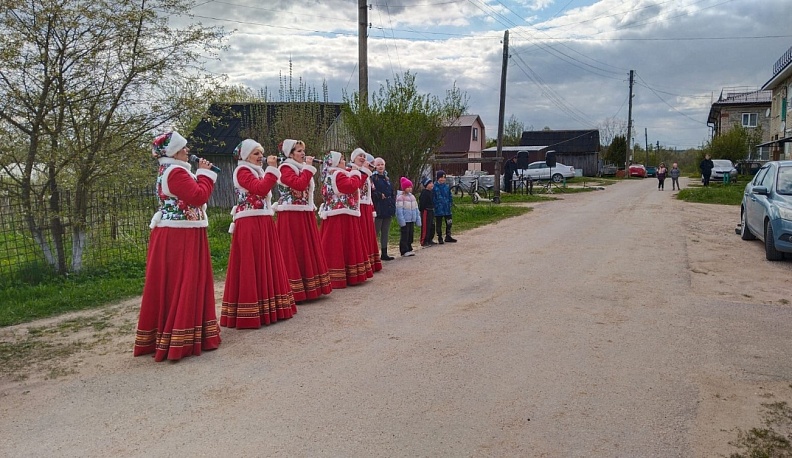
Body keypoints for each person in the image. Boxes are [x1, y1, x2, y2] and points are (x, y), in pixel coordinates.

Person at [134, 131, 221, 361]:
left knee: (187, 281)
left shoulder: (173, 170)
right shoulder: (175, 172)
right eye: (184, 148)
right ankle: (179, 336)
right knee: (184, 280)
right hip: (178, 235)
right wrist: (205, 174)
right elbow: (198, 197)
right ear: (173, 152)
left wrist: (201, 173)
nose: (187, 151)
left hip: (183, 231)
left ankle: (187, 333)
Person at [221, 139, 296, 329]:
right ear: (245, 156)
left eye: (260, 153)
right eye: (255, 153)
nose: (260, 156)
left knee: (266, 261)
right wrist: (272, 169)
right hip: (249, 222)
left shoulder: (257, 171)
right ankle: (252, 310)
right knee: (252, 262)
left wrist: (268, 171)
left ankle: (270, 307)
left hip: (261, 219)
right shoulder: (242, 171)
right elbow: (261, 189)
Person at [275, 139, 332, 302]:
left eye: (303, 150)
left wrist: (306, 168)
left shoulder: (300, 168)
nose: (303, 153)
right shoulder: (285, 168)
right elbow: (298, 185)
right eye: (299, 151)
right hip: (291, 214)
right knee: (295, 248)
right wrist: (308, 168)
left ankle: (310, 287)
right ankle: (295, 289)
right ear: (290, 153)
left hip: (303, 213)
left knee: (306, 247)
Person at [318, 151, 373, 288]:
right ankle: (338, 275)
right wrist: (356, 172)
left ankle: (345, 274)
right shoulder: (337, 174)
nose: (344, 161)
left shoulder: (333, 174)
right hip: (340, 216)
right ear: (336, 162)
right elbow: (351, 186)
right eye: (342, 159)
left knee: (340, 244)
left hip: (340, 213)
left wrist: (361, 171)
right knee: (338, 245)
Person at [351, 148, 382, 272]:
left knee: (369, 234)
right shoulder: (352, 171)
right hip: (358, 206)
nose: (363, 158)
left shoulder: (365, 173)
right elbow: (356, 186)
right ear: (354, 158)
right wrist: (364, 171)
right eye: (360, 156)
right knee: (362, 233)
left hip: (366, 205)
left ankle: (371, 261)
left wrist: (372, 208)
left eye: (364, 156)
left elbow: (369, 193)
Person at [371, 157, 396, 261]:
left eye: (382, 164)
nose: (380, 166)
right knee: (375, 232)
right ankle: (373, 253)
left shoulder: (387, 178)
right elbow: (372, 192)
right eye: (378, 164)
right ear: (375, 166)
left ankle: (384, 252)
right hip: (379, 208)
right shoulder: (373, 178)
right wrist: (379, 195)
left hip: (388, 207)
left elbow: (391, 191)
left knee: (385, 231)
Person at [396, 177, 421, 257]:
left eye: (410, 187)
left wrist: (418, 219)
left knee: (410, 234)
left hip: (411, 219)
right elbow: (399, 211)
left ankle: (409, 247)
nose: (410, 189)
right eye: (408, 187)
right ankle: (404, 250)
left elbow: (416, 208)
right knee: (405, 235)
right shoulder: (400, 198)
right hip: (405, 220)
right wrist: (401, 221)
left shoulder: (412, 197)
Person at [433, 170, 456, 243]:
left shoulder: (446, 187)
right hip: (439, 209)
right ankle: (440, 237)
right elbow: (433, 198)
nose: (442, 179)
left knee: (449, 222)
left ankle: (448, 236)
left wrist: (451, 202)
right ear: (438, 178)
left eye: (444, 178)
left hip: (447, 208)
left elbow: (449, 196)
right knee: (439, 223)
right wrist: (436, 205)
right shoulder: (434, 187)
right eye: (441, 178)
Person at [418, 177, 436, 247]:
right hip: (426, 211)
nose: (432, 184)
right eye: (430, 183)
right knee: (426, 226)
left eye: (432, 183)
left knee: (432, 225)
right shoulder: (424, 193)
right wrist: (423, 210)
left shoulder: (431, 192)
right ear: (426, 185)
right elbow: (422, 203)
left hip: (431, 210)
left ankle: (429, 239)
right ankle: (424, 241)